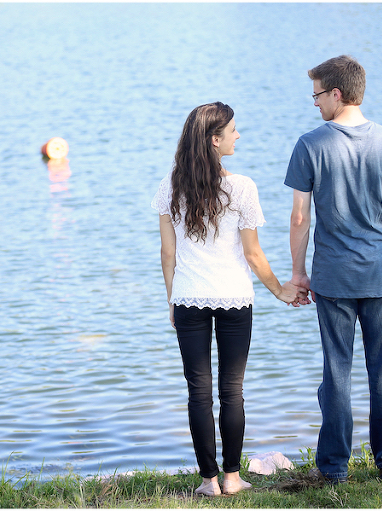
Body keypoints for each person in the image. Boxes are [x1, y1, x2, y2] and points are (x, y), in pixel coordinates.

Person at [152, 102, 306, 497]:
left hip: (188, 298)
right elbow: (253, 254)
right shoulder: (242, 187)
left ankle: (208, 482)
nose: (239, 136)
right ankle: (233, 478)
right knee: (231, 390)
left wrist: (172, 298)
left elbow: (168, 254)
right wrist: (281, 290)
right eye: (233, 130)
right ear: (214, 139)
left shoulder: (171, 186)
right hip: (235, 298)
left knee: (198, 391)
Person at [285, 55, 382, 485]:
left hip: (334, 277)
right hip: (381, 273)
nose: (315, 103)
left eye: (318, 94)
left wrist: (298, 272)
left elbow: (300, 218)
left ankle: (334, 468)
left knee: (336, 371)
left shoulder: (310, 144)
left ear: (336, 93)